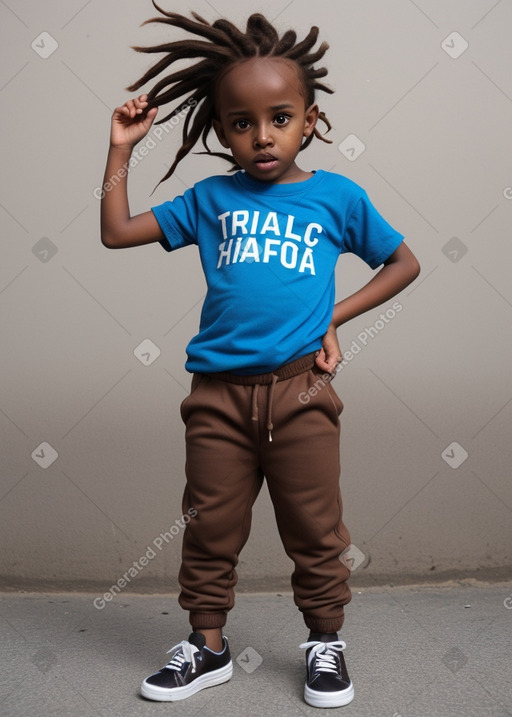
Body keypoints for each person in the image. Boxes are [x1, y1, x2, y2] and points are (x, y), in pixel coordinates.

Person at [100, 4, 420, 709]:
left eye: (280, 117)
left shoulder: (338, 197)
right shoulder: (211, 198)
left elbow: (403, 262)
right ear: (222, 130)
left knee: (315, 525)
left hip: (302, 390)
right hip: (216, 395)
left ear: (310, 120)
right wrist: (123, 147)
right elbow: (116, 231)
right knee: (209, 523)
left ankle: (325, 642)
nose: (262, 135)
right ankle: (207, 647)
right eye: (242, 123)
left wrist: (331, 315)